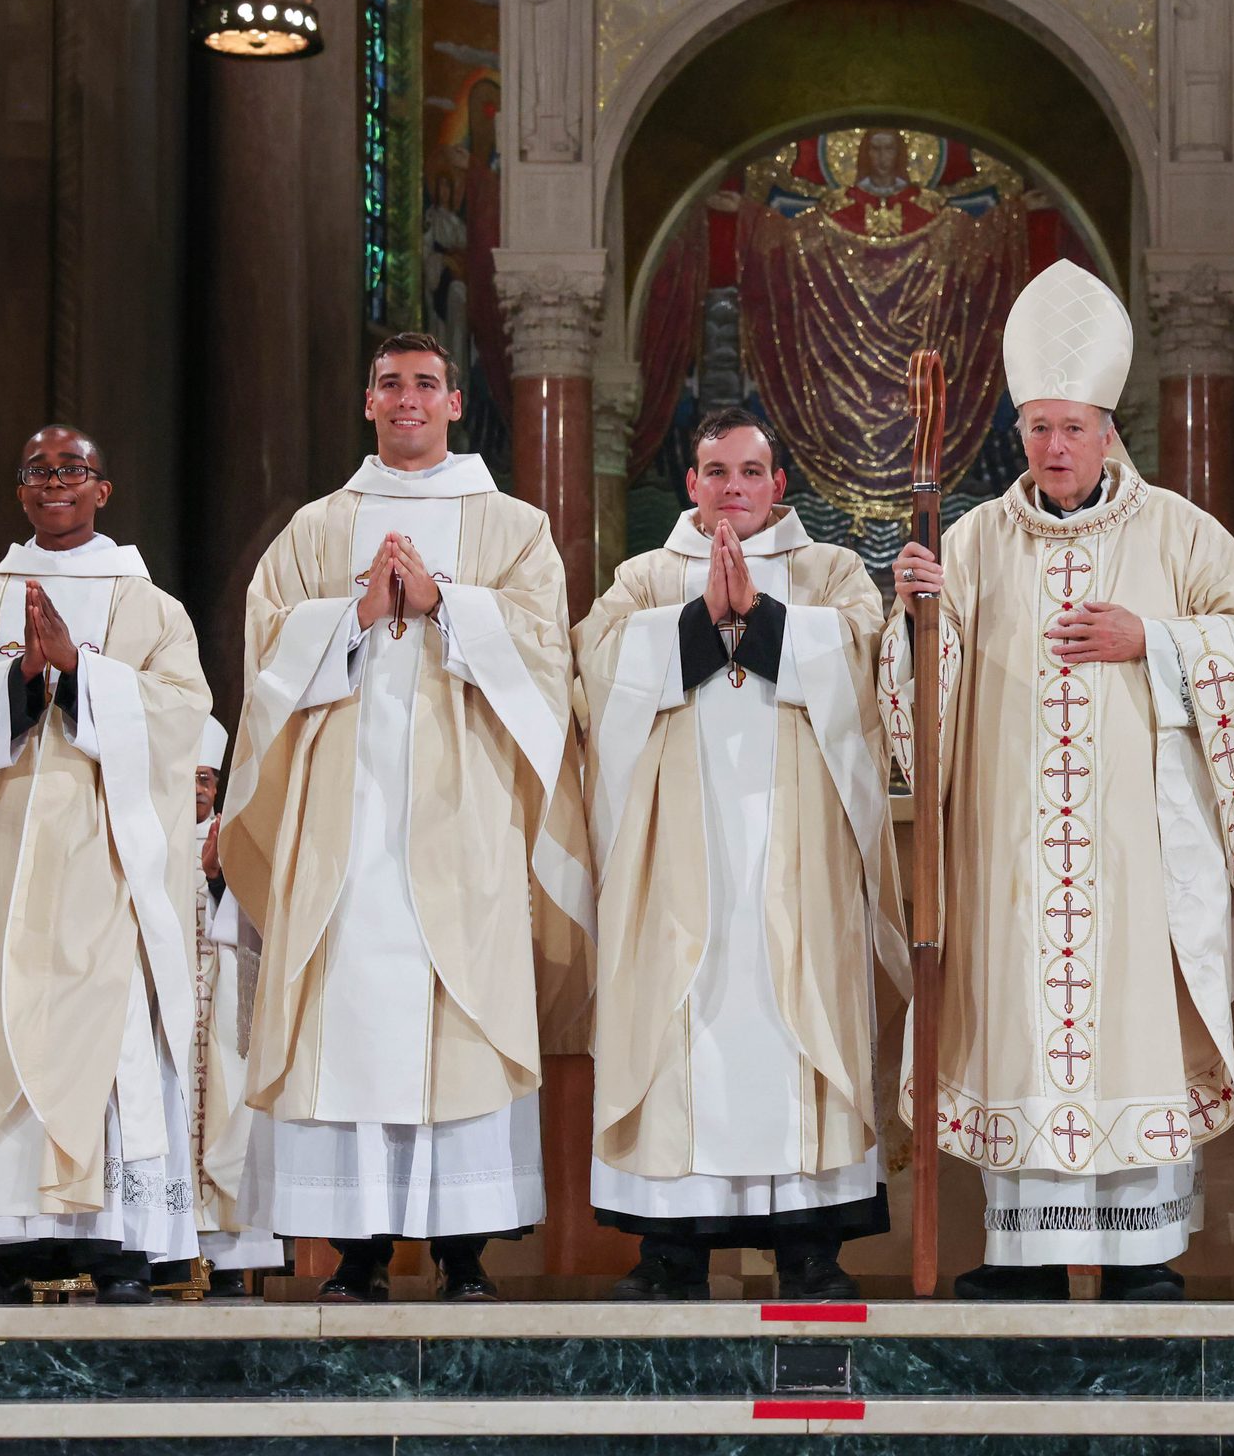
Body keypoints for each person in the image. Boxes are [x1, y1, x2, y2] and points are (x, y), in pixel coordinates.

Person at [886, 260, 1234, 1301]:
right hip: (1012, 856)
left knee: (1132, 1034)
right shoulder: (967, 542)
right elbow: (917, 701)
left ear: (1109, 430)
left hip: (1134, 859)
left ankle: (1142, 1254)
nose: (1054, 448)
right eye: (1037, 429)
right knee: (1019, 1027)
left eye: (1072, 427)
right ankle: (1020, 1256)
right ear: (1017, 435)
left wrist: (1148, 638)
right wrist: (921, 619)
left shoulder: (1179, 532)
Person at [222, 332, 593, 1302]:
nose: (408, 399)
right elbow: (265, 648)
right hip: (343, 823)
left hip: (461, 815)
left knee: (460, 1012)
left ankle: (466, 1249)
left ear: (456, 403)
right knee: (346, 1023)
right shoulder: (314, 528)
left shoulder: (510, 525)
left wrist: (446, 604)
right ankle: (357, 1253)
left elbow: (548, 653)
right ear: (366, 403)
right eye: (390, 385)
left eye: (426, 384)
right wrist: (345, 616)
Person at [575, 408, 906, 1302]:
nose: (732, 490)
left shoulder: (830, 569)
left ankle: (809, 1248)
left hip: (797, 859)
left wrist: (759, 622)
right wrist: (693, 623)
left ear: (777, 484)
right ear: (690, 484)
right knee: (677, 1031)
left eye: (750, 472)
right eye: (715, 472)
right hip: (677, 861)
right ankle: (672, 1252)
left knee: (800, 1025)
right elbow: (596, 669)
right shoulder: (645, 577)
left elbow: (868, 653)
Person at [0, 426, 210, 1305]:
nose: (55, 482)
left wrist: (82, 672)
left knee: (104, 1040)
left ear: (104, 488)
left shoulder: (153, 608)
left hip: (105, 862)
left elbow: (186, 720)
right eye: (39, 471)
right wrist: (16, 681)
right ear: (21, 492)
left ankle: (114, 1244)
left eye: (73, 469)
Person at [191, 717, 283, 1295]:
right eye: (191, 776)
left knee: (225, 1112)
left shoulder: (235, 835)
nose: (201, 787)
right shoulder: (141, 826)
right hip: (165, 1004)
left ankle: (224, 1259)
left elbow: (257, 919)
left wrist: (221, 880)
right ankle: (163, 1250)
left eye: (208, 777)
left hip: (222, 998)